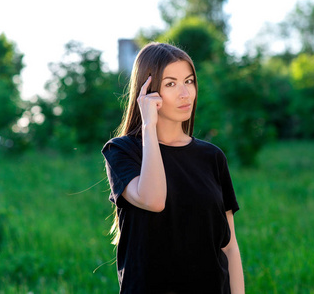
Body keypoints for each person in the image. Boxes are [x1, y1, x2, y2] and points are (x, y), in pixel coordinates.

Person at [102, 42, 244, 294]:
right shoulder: (121, 151)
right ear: (148, 92)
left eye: (189, 81)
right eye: (170, 84)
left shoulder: (212, 157)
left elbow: (229, 247)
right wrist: (148, 126)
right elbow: (154, 200)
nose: (185, 93)